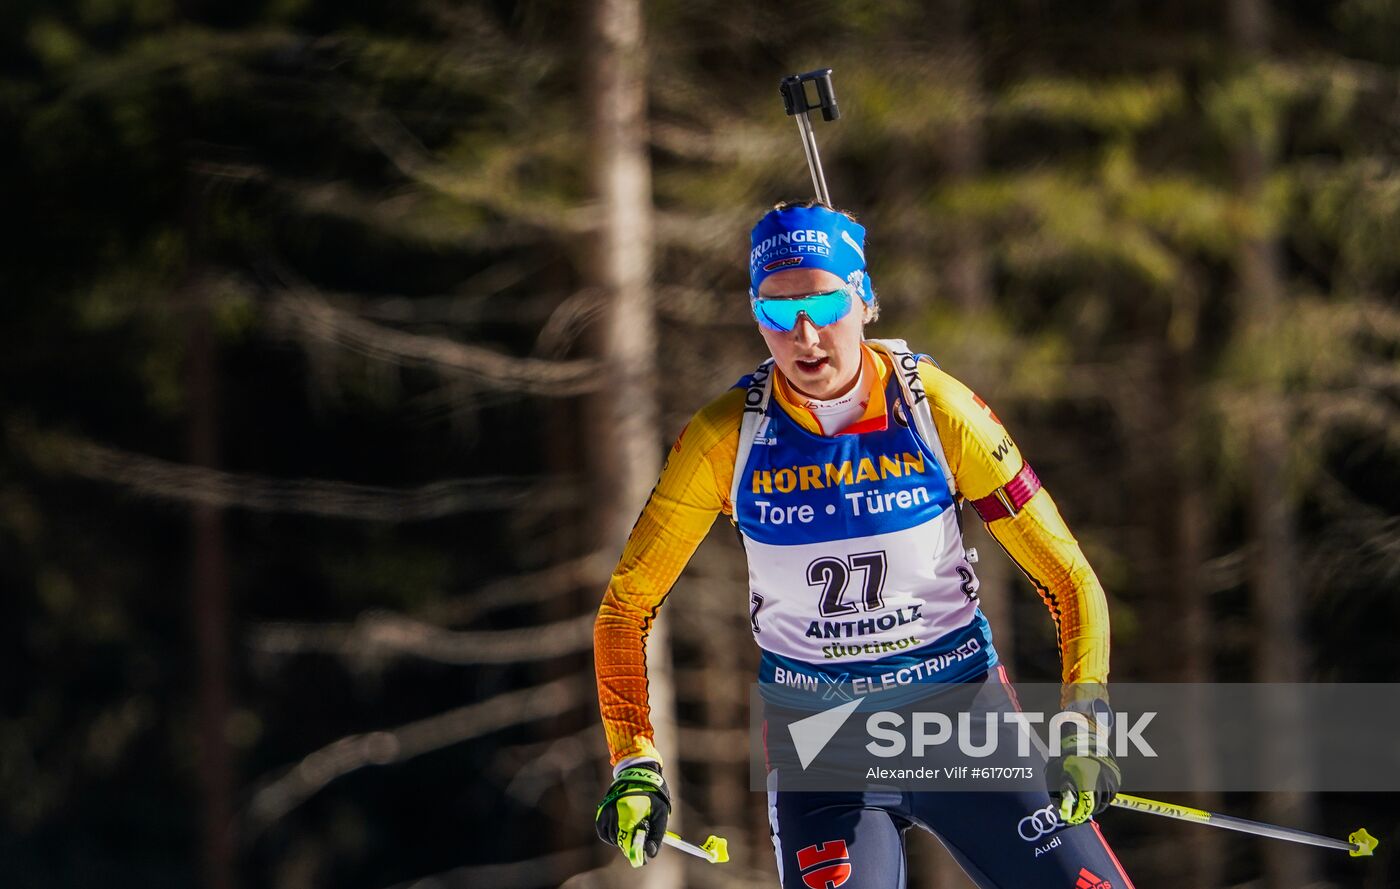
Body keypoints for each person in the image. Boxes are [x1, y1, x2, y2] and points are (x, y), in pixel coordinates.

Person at [593, 201, 1133, 888]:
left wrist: (1084, 720)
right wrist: (633, 759)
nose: (806, 334)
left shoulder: (937, 410)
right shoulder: (725, 437)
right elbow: (626, 605)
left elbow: (1068, 576)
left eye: (824, 302)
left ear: (866, 299)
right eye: (778, 312)